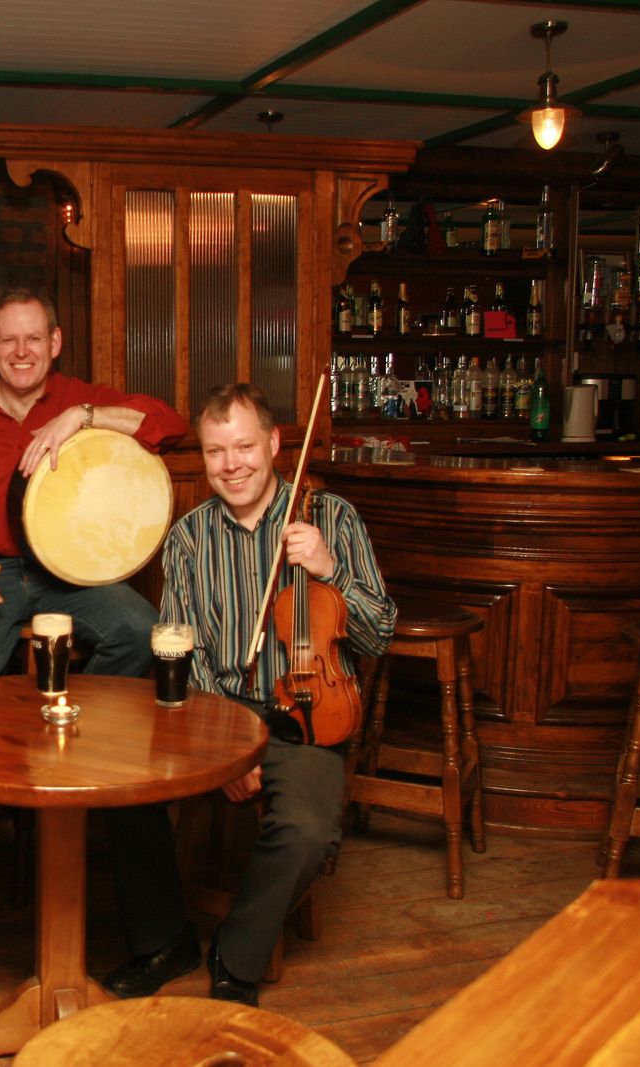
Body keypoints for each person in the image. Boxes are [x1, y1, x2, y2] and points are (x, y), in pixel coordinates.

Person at [0, 287, 189, 966]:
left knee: (139, 628)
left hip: (69, 568)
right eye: (8, 339)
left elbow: (169, 424)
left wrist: (83, 418)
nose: (22, 351)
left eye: (34, 337)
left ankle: (61, 733)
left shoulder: (80, 400)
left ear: (55, 343)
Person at [153, 382, 395, 1005]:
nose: (231, 465)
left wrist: (329, 570)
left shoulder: (331, 518)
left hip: (307, 714)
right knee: (130, 795)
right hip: (220, 713)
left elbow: (380, 635)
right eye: (215, 452)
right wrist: (225, 748)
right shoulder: (187, 538)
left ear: (274, 443)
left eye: (243, 447)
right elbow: (184, 652)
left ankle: (235, 954)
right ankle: (160, 940)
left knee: (309, 831)